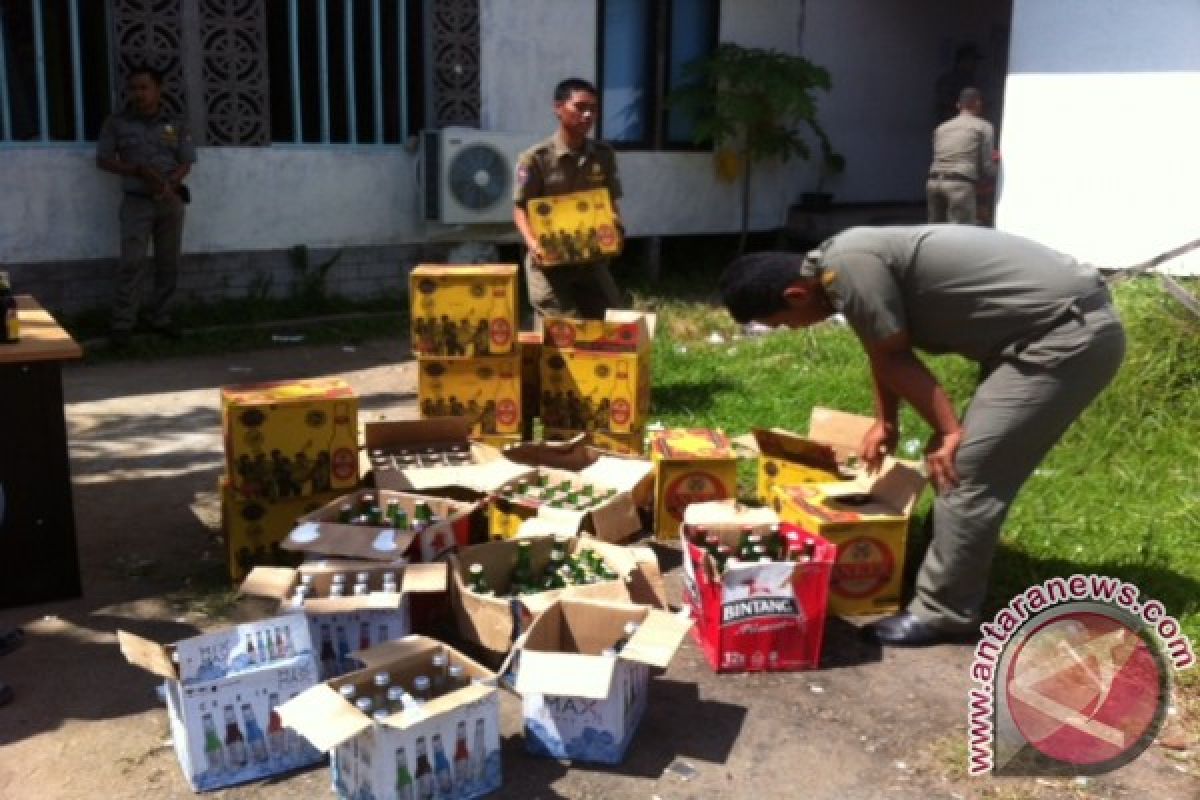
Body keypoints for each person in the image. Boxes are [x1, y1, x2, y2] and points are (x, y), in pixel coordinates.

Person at [718, 226, 1126, 646]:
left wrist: (948, 430)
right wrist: (886, 421)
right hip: (1041, 332)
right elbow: (882, 350)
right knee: (960, 461)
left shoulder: (848, 268)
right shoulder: (838, 263)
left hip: (1063, 338)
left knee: (964, 469)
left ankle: (944, 612)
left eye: (782, 324)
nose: (791, 329)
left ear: (795, 296)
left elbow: (892, 354)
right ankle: (939, 566)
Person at [96, 64, 196, 348]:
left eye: (144, 88)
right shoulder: (117, 123)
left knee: (168, 263)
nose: (138, 94)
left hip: (170, 201)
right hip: (136, 202)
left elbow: (186, 160)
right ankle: (123, 323)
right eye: (134, 88)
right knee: (132, 262)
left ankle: (160, 317)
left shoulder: (175, 124)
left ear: (158, 89)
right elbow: (103, 160)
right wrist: (138, 170)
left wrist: (170, 183)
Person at [513, 78, 624, 320]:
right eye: (580, 107)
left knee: (610, 319)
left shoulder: (603, 155)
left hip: (590, 258)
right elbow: (520, 209)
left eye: (593, 109)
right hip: (548, 260)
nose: (588, 115)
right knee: (558, 329)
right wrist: (533, 243)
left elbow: (610, 200)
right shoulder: (535, 159)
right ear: (558, 108)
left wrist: (615, 225)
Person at [927, 87, 998, 225]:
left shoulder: (941, 128)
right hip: (960, 184)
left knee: (934, 231)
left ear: (958, 105)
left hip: (933, 182)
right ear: (978, 104)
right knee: (960, 234)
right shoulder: (983, 127)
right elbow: (987, 167)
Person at [934, 43, 982, 122]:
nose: (975, 64)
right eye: (972, 60)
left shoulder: (971, 80)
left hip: (969, 124)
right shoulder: (948, 80)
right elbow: (944, 103)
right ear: (963, 61)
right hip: (951, 124)